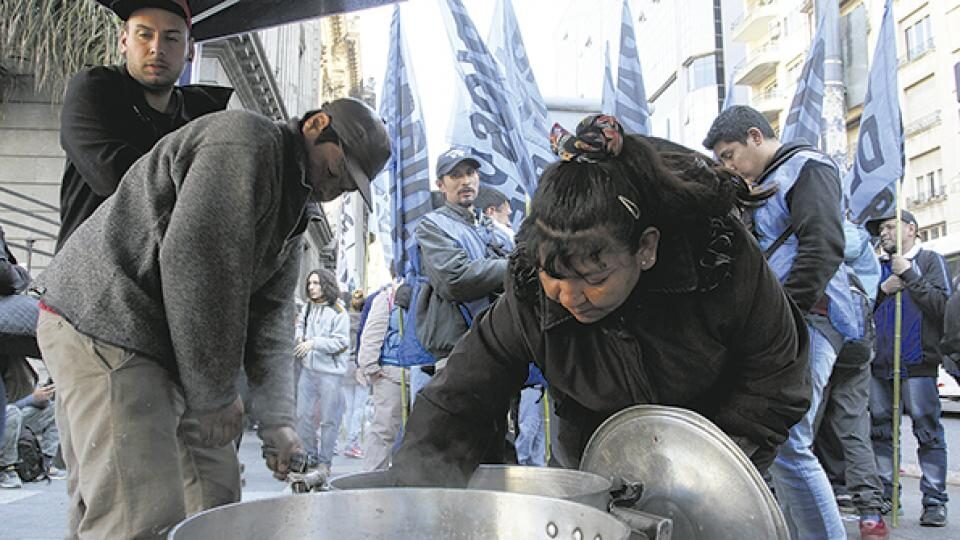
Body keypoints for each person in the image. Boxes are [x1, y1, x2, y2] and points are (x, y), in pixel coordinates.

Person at [389, 114, 810, 489]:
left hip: (715, 456)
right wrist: (416, 499)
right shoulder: (530, 289)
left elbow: (776, 374)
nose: (570, 298)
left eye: (595, 278)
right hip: (590, 459)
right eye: (555, 277)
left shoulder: (718, 258)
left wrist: (701, 473)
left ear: (646, 248)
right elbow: (461, 396)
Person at [35, 96, 391, 539]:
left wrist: (278, 419)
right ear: (316, 125)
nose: (336, 188)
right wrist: (214, 395)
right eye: (338, 170)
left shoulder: (294, 210)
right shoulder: (244, 142)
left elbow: (273, 319)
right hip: (108, 319)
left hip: (167, 339)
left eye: (349, 186)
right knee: (136, 511)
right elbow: (199, 263)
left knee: (215, 497)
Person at [705, 105, 854, 540]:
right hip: (786, 326)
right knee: (779, 445)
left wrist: (784, 316)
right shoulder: (764, 185)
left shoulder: (808, 168)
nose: (727, 166)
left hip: (811, 320)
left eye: (729, 154)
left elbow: (823, 247)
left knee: (790, 443)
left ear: (756, 136)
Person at [57, 0, 233, 249]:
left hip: (167, 278)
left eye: (171, 38)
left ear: (190, 50)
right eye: (144, 35)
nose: (156, 48)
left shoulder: (203, 116)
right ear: (123, 42)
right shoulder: (95, 89)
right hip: (89, 272)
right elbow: (111, 176)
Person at [865, 209, 951, 527]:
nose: (884, 233)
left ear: (911, 229)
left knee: (927, 433)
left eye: (890, 226)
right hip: (880, 366)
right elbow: (859, 309)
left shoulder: (931, 262)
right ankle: (888, 495)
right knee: (881, 433)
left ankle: (934, 501)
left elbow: (943, 307)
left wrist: (911, 276)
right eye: (882, 228)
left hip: (918, 365)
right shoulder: (874, 268)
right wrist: (881, 290)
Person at [410, 147, 512, 399]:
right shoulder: (432, 226)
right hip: (457, 350)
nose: (466, 180)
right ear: (440, 185)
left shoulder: (494, 229)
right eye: (455, 175)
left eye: (470, 172)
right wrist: (514, 266)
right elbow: (454, 280)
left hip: (498, 345)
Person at [813, 220, 889, 539]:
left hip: (822, 330)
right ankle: (870, 513)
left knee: (802, 425)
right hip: (858, 341)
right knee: (855, 427)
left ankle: (779, 498)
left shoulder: (818, 227)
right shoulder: (863, 243)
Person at [294, 269, 350, 476]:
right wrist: (300, 338)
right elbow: (300, 325)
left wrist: (314, 343)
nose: (311, 287)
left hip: (330, 373)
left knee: (328, 419)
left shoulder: (338, 312)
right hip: (308, 371)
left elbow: (342, 342)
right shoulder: (308, 308)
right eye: (309, 283)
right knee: (302, 416)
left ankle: (325, 463)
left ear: (326, 285)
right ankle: (310, 457)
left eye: (316, 283)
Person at [356, 281, 408, 471]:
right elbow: (372, 333)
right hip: (391, 374)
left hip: (419, 371)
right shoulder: (387, 297)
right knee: (384, 429)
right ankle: (371, 482)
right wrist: (369, 366)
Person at [339, 290, 368, 459]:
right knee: (359, 408)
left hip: (344, 367)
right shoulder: (365, 323)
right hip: (360, 366)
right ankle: (353, 442)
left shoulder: (343, 321)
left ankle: (347, 441)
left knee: (348, 408)